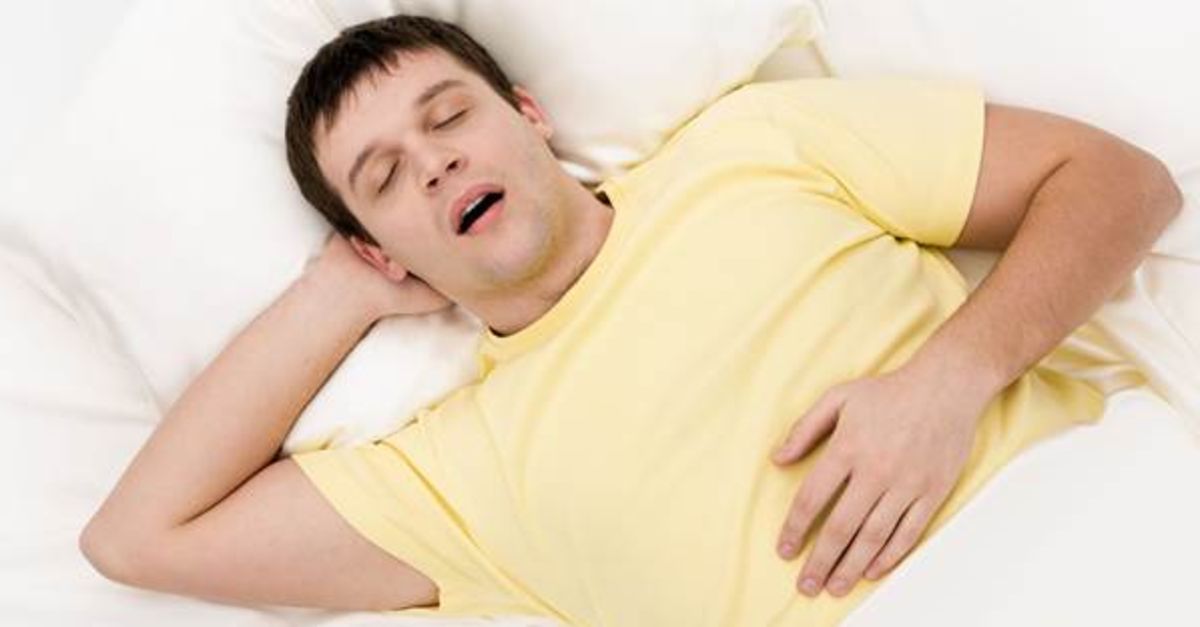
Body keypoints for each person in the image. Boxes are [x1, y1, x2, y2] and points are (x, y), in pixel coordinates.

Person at [79, 14, 1181, 626]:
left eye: (448, 117)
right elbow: (135, 539)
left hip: (1105, 518)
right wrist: (337, 292)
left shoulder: (752, 149)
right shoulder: (455, 476)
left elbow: (1123, 183)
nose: (436, 163)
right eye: (384, 177)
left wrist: (950, 381)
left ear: (528, 116)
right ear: (379, 247)